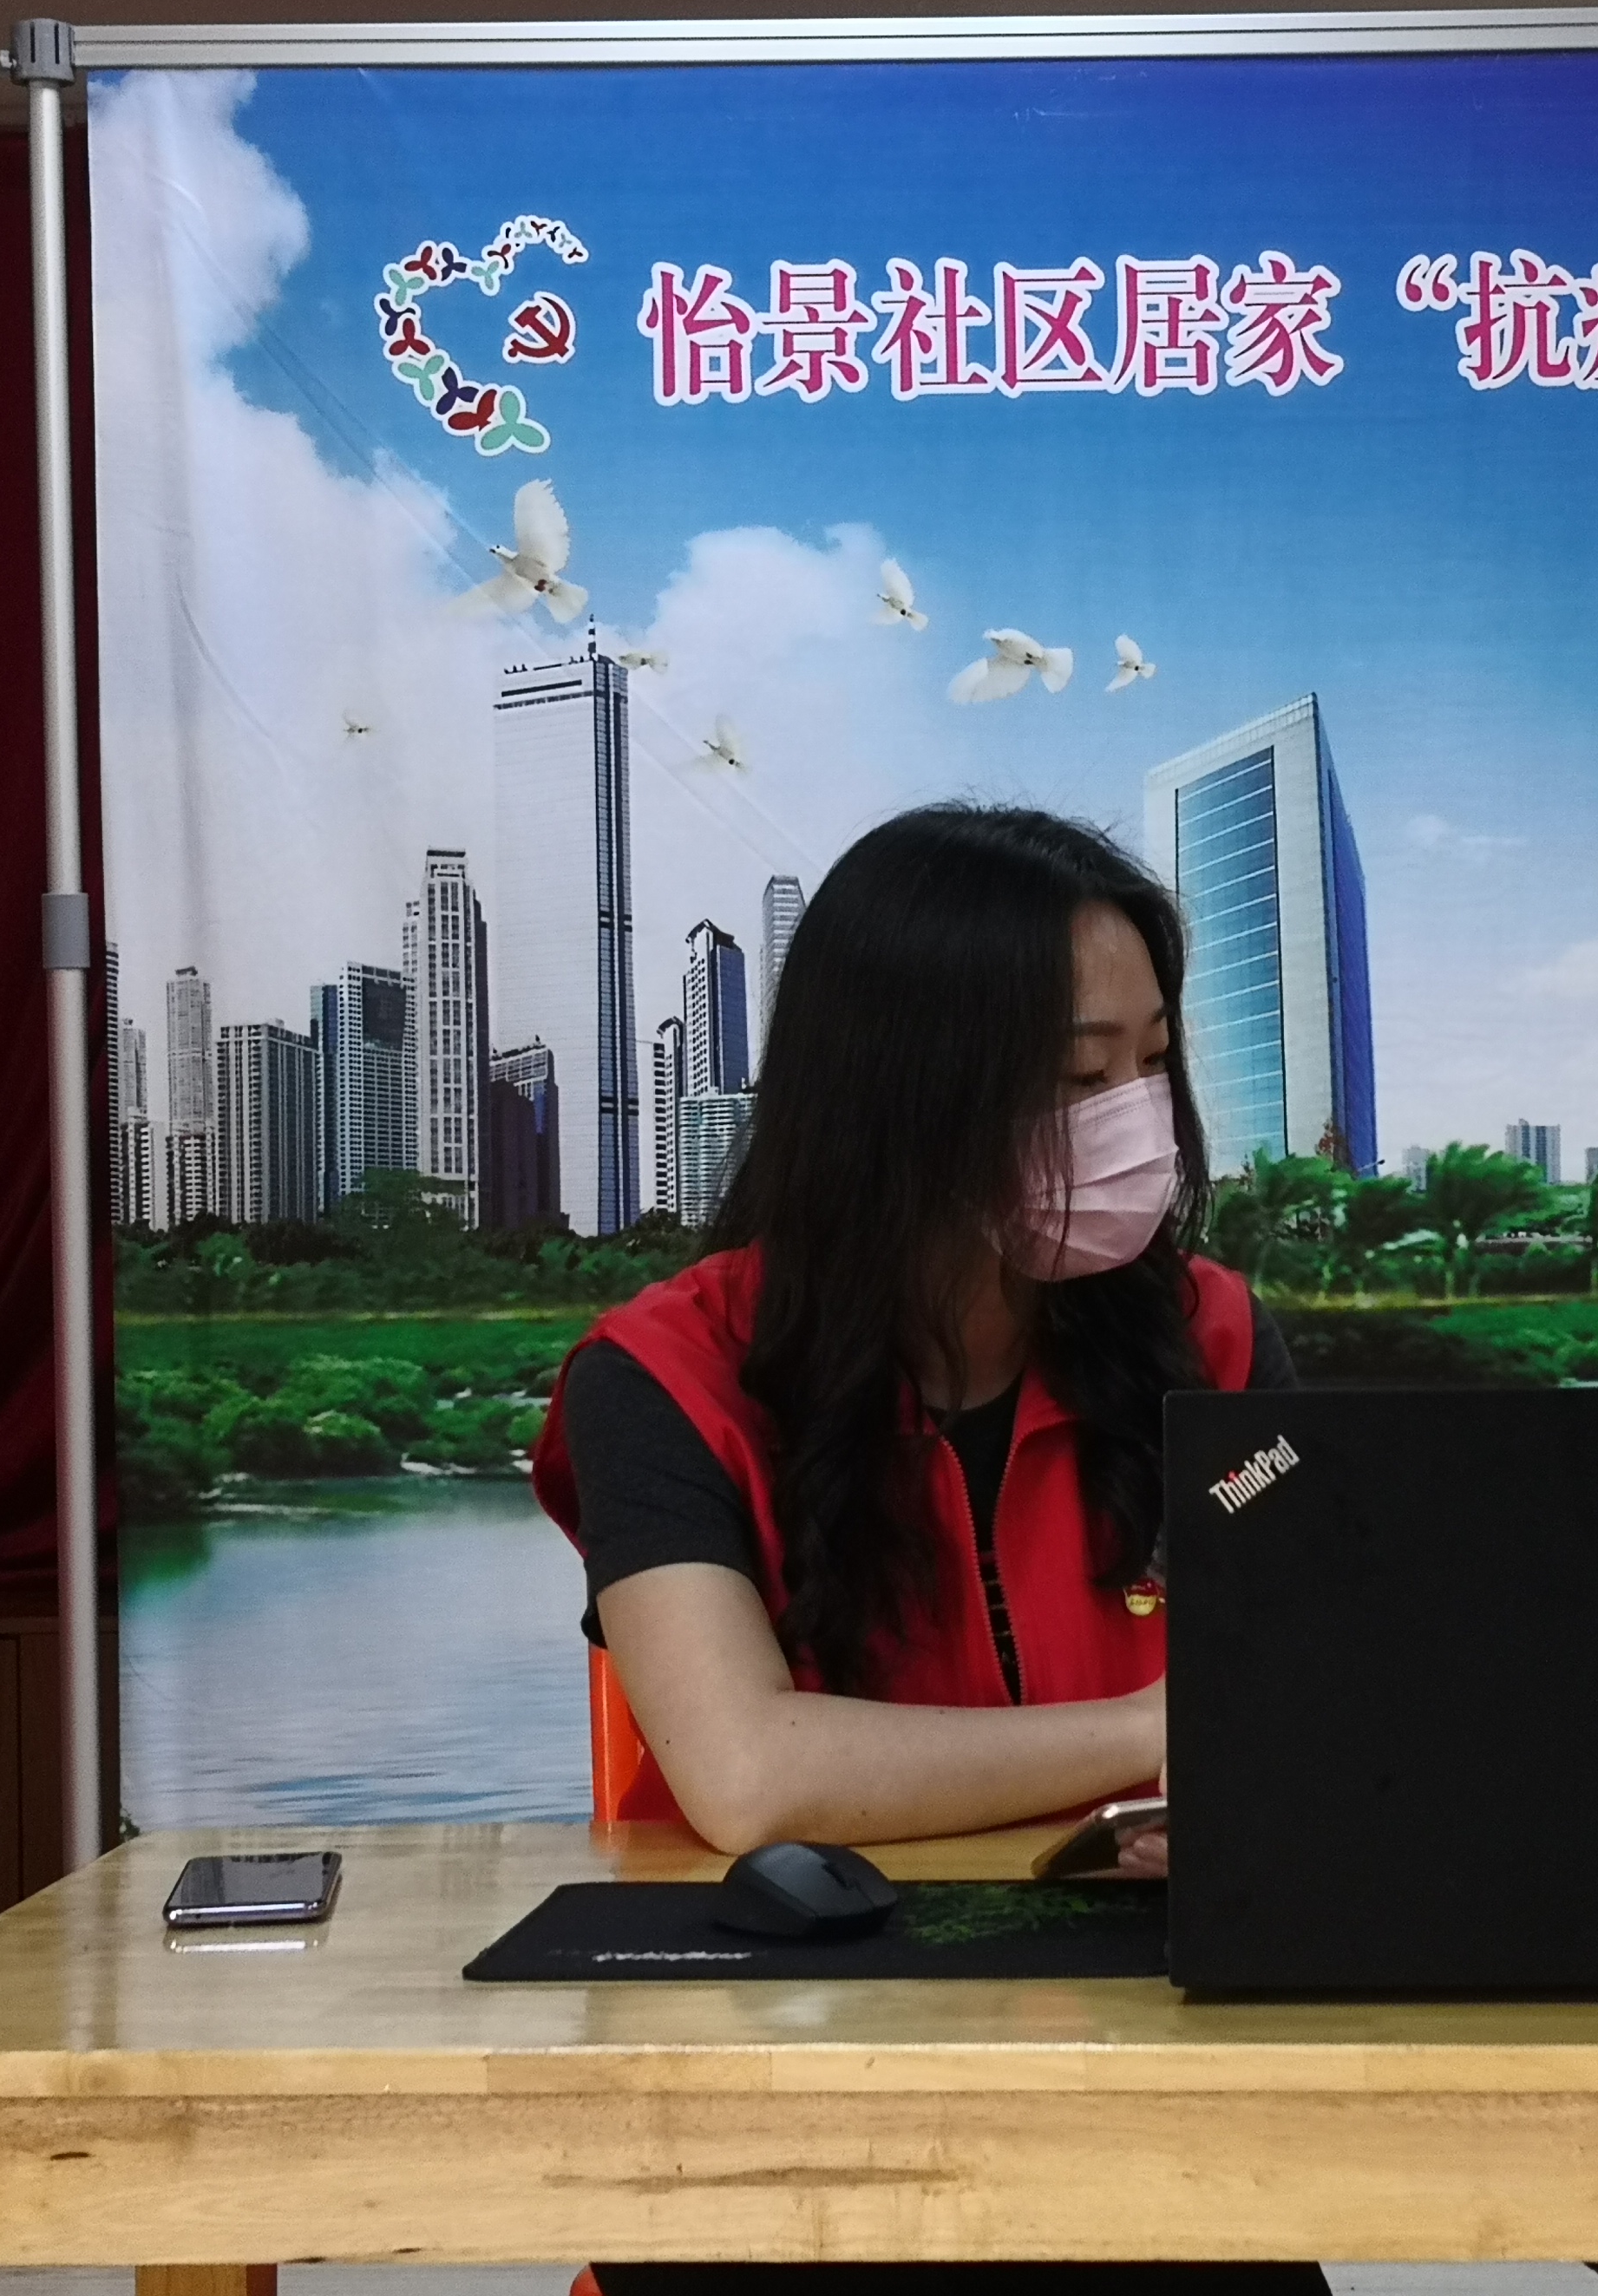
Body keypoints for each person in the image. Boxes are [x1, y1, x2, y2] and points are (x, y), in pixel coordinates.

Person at [535, 804, 1320, 2296]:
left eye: (1153, 1064)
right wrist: (1154, 1733)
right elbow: (749, 1774)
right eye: (1079, 1076)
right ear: (903, 1090)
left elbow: (1307, 1685)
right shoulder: (663, 1379)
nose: (1135, 1119)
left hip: (1160, 2096)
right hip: (783, 2110)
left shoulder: (1213, 1340)